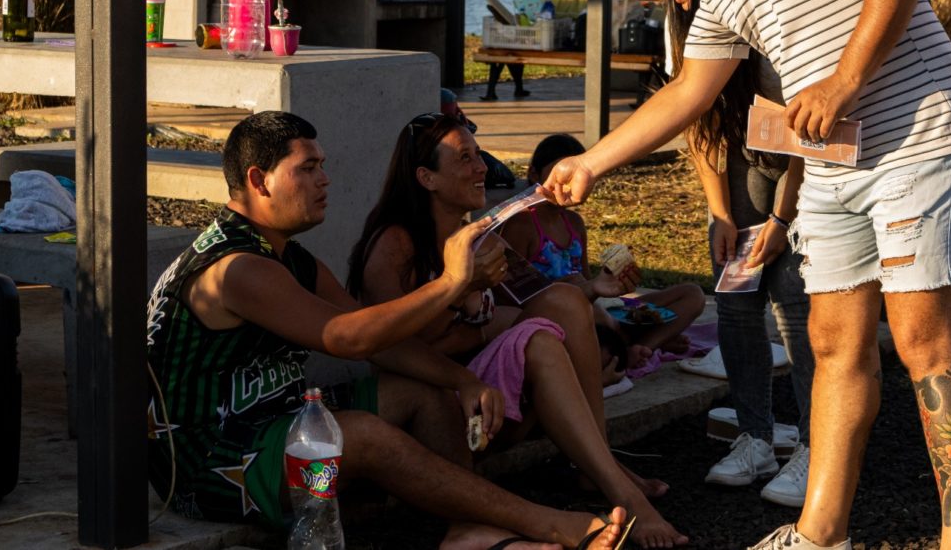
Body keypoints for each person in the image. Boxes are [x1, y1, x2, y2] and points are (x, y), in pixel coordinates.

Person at [545, 0, 951, 549]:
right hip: (830, 162)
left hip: (919, 132)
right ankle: (821, 533)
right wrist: (596, 161)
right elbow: (693, 88)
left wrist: (845, 79)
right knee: (829, 338)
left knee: (923, 338)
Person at [145, 110, 633, 550]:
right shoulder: (236, 267)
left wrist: (460, 379)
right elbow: (346, 337)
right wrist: (453, 283)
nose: (325, 180)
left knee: (427, 391)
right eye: (308, 169)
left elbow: (379, 343)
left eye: (323, 165)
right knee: (359, 436)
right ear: (259, 180)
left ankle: (467, 530)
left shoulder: (288, 255)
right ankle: (546, 523)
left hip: (275, 421)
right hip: (210, 466)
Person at [348, 112, 690, 548]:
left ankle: (598, 465)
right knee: (542, 343)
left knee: (562, 306)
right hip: (440, 416)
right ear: (426, 178)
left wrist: (593, 288)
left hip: (492, 405)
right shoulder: (395, 244)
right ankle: (616, 487)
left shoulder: (482, 237)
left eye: (479, 155)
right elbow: (391, 345)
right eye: (466, 159)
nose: (482, 168)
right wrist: (460, 291)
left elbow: (539, 300)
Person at [641, 0, 816, 508]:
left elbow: (807, 135)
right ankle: (756, 437)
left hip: (800, 160)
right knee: (735, 296)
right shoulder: (679, 18)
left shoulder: (762, 10)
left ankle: (818, 448)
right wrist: (720, 211)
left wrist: (780, 220)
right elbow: (696, 120)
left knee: (795, 302)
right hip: (738, 159)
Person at [501, 132, 705, 372]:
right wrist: (582, 290)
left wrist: (612, 282)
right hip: (557, 322)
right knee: (590, 316)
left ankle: (641, 346)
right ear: (534, 174)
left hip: (596, 313)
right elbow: (512, 298)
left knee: (692, 294)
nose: (565, 186)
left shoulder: (574, 222)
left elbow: (588, 282)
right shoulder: (521, 225)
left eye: (572, 177)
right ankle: (634, 347)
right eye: (557, 175)